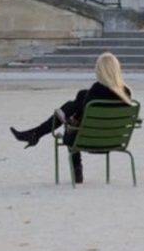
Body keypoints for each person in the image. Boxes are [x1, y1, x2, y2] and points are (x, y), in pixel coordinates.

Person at [10, 52, 135, 184]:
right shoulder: (126, 94)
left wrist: (66, 118)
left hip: (85, 141)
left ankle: (37, 135)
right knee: (72, 106)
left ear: (99, 71)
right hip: (114, 141)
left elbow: (78, 119)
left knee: (69, 120)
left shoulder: (92, 92)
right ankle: (35, 134)